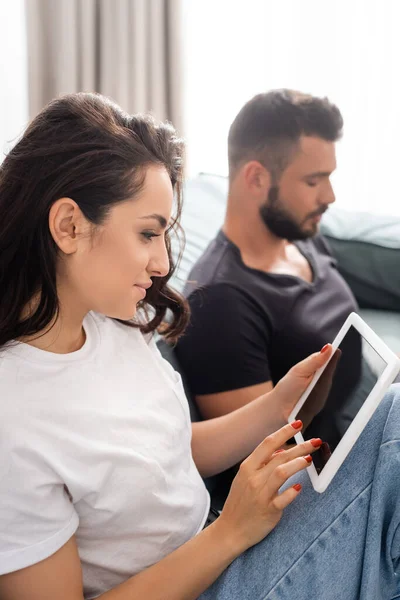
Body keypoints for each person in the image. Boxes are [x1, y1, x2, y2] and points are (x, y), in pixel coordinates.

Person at [0, 93, 399, 600]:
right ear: (69, 226)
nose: (163, 264)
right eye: (148, 233)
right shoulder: (13, 418)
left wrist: (280, 404)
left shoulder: (109, 324)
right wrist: (230, 531)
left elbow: (168, 449)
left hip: (221, 543)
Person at [175, 89, 363, 453]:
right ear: (257, 178)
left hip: (362, 418)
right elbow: (269, 466)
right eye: (313, 181)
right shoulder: (221, 303)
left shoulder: (300, 236)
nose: (330, 196)